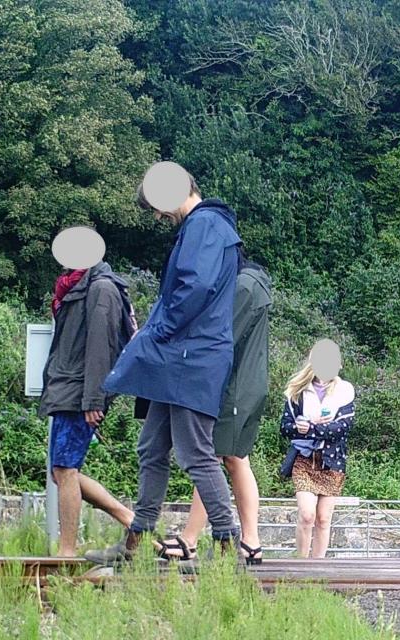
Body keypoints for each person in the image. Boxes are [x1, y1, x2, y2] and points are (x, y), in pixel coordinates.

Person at [85, 162, 242, 565]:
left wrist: (157, 331)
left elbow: (195, 288)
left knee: (195, 453)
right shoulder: (204, 226)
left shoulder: (205, 225)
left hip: (193, 357)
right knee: (152, 447)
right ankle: (136, 541)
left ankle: (227, 546)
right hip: (181, 357)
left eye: (158, 206)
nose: (158, 216)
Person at [154, 247, 273, 566]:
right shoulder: (248, 282)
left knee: (209, 458)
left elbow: (218, 338)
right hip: (242, 384)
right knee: (234, 459)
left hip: (232, 388)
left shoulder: (244, 287)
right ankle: (250, 542)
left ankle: (191, 540)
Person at [37, 257, 137, 557]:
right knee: (61, 470)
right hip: (68, 388)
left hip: (81, 393)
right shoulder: (76, 286)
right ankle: (132, 520)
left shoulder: (100, 289)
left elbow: (101, 348)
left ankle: (66, 551)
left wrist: (94, 399)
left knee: (65, 469)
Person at [279, 339, 355, 559]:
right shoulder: (297, 392)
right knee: (306, 514)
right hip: (304, 458)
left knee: (323, 518)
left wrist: (310, 428)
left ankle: (319, 565)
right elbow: (285, 427)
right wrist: (299, 427)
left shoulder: (344, 392)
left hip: (332, 461)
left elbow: (342, 428)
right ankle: (301, 563)